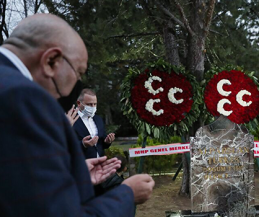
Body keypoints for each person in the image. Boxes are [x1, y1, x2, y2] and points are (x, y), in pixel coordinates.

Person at [0, 13, 154, 216]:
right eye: (78, 72)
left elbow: (16, 184)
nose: (77, 83)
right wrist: (127, 194)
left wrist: (75, 174)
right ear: (51, 61)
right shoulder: (23, 97)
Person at [73, 88, 115, 159]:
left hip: (100, 163)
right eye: (89, 104)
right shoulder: (71, 120)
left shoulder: (98, 119)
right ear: (79, 103)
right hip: (82, 164)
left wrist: (107, 141)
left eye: (95, 104)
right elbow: (66, 145)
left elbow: (101, 143)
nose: (93, 107)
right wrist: (83, 144)